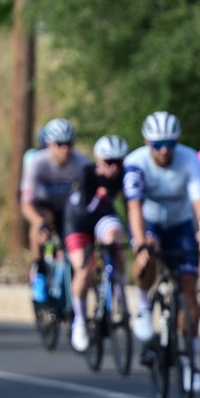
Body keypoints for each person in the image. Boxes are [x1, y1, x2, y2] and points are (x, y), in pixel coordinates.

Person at [124, 111, 200, 387]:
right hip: (150, 223)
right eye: (157, 145)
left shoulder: (189, 159)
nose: (163, 151)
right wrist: (140, 242)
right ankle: (144, 306)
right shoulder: (135, 163)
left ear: (177, 143)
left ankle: (191, 363)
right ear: (147, 143)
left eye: (169, 144)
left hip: (181, 224)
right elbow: (134, 206)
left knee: (189, 287)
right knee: (147, 254)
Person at [64, 135, 132, 352]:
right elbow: (86, 210)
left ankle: (119, 290)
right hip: (78, 221)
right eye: (109, 163)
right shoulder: (87, 174)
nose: (114, 168)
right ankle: (80, 322)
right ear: (99, 161)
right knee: (83, 269)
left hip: (103, 217)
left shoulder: (123, 175)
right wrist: (101, 196)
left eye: (119, 162)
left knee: (115, 238)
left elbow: (131, 206)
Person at [20, 118, 89, 304]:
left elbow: (90, 198)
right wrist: (38, 222)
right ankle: (40, 270)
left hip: (69, 209)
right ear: (49, 145)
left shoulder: (81, 162)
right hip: (44, 206)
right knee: (40, 225)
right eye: (59, 145)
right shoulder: (37, 162)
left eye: (69, 144)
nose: (65, 150)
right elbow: (26, 203)